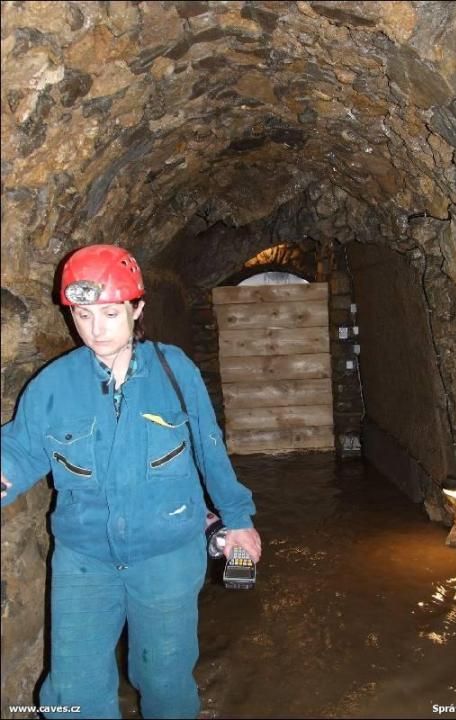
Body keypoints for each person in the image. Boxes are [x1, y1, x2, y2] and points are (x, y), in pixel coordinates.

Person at [1, 244, 261, 720]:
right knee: (72, 692)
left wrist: (238, 518)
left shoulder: (175, 371)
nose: (95, 329)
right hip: (84, 559)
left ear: (137, 309)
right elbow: (18, 452)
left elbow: (209, 448)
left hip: (168, 556)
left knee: (164, 681)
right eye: (82, 315)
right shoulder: (53, 386)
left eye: (110, 313)